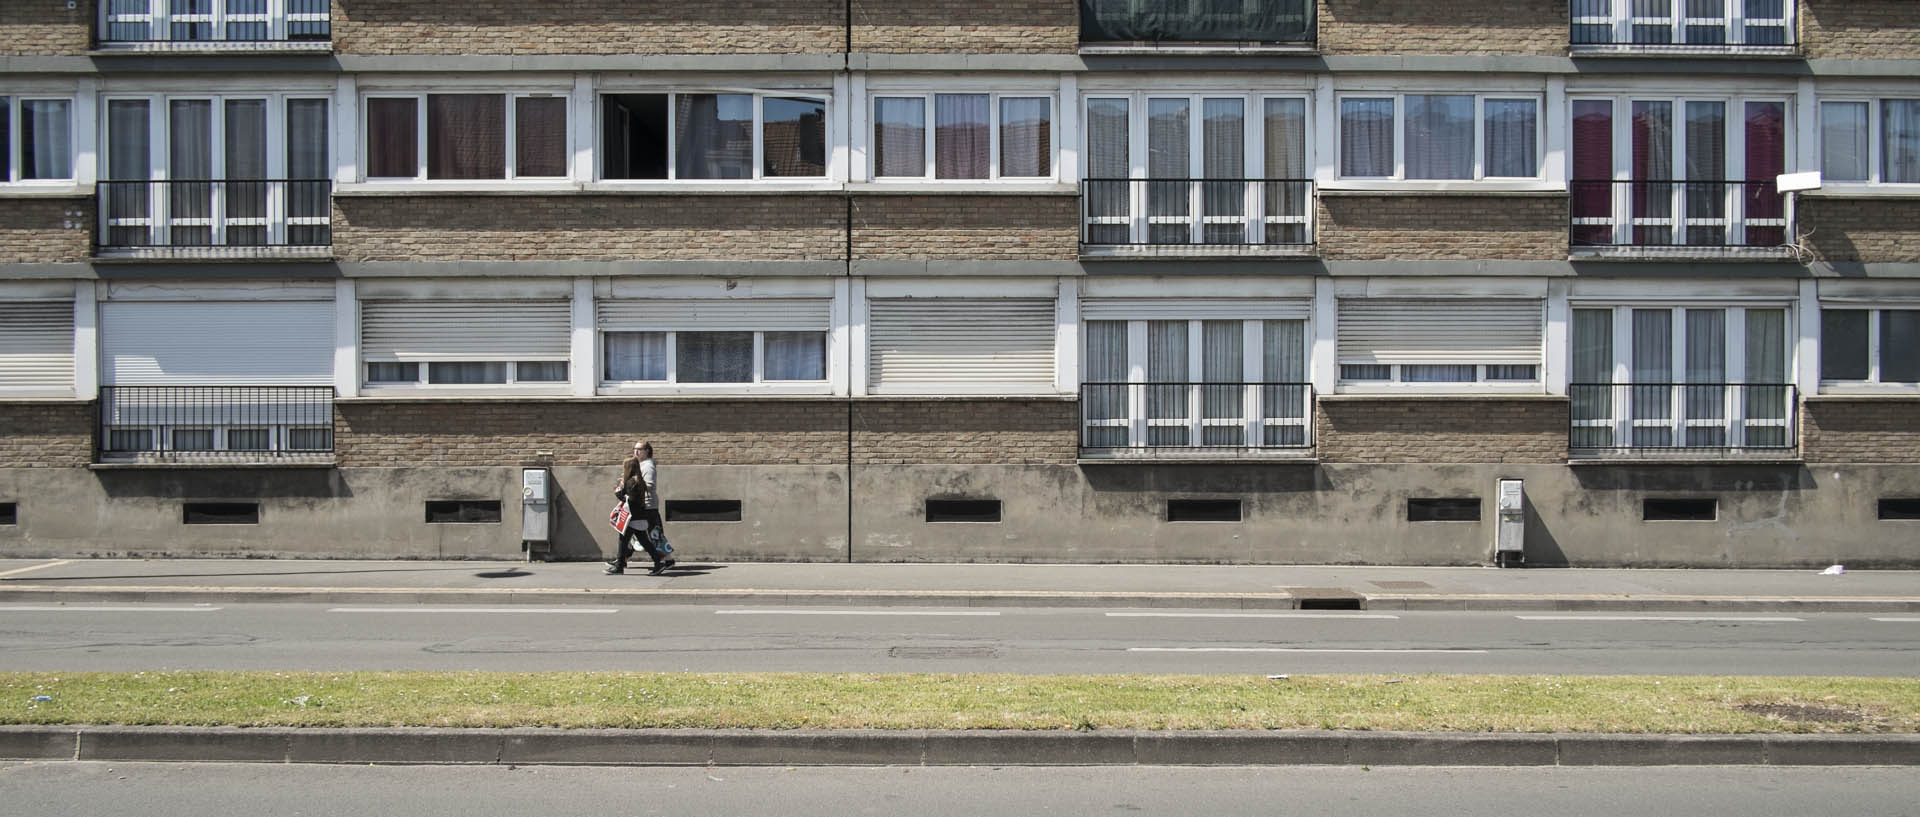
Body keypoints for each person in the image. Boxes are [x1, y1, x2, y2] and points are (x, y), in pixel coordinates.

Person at [608, 441, 674, 575]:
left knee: (653, 534)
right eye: (635, 449)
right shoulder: (640, 464)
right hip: (640, 505)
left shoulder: (648, 466)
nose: (636, 452)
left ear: (647, 451)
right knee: (636, 535)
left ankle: (667, 560)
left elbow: (649, 485)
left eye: (640, 449)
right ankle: (623, 559)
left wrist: (632, 484)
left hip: (647, 505)